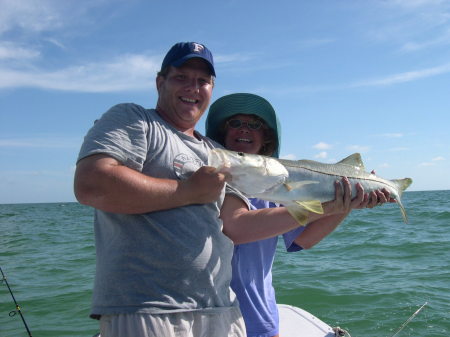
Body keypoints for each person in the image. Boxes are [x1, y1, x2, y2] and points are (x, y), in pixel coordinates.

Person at [74, 42, 389, 337]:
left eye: (202, 80)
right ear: (160, 83)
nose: (192, 87)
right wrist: (186, 192)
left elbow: (238, 224)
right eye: (181, 77)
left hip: (222, 309)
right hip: (150, 306)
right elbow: (91, 185)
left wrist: (338, 205)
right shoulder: (137, 121)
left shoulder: (217, 158)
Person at [205, 93, 392, 337]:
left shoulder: (274, 192)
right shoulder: (207, 186)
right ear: (222, 133)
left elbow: (304, 239)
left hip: (264, 320)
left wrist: (347, 204)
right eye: (235, 123)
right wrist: (329, 207)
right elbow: (237, 227)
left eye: (255, 125)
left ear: (266, 139)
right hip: (218, 322)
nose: (245, 130)